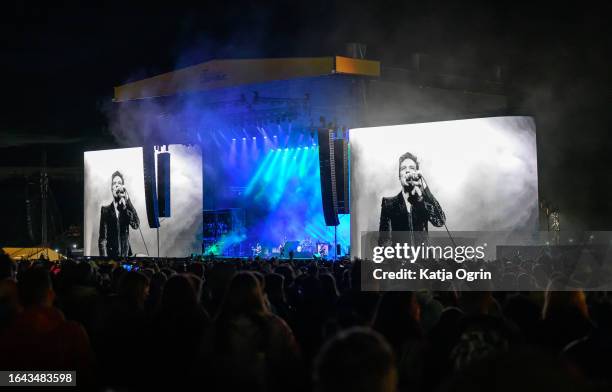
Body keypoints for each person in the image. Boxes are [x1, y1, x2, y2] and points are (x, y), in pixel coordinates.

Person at [378, 152, 445, 246]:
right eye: (403, 168)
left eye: (412, 168)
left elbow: (440, 221)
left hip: (424, 259)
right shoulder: (388, 203)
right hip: (400, 259)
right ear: (399, 176)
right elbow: (384, 243)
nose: (407, 171)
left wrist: (425, 188)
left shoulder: (422, 201)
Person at [98, 171, 140, 257]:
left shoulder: (126, 209)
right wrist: (104, 259)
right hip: (111, 256)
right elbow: (103, 239)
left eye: (119, 183)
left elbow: (136, 225)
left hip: (126, 255)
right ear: (111, 188)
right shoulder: (105, 210)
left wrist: (128, 201)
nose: (116, 185)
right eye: (114, 183)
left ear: (123, 187)